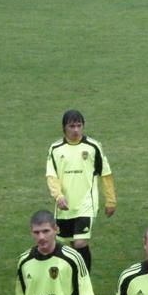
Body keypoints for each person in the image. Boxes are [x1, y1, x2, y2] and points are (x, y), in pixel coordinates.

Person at [46, 109, 116, 271]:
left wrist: (111, 200)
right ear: (64, 128)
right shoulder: (55, 149)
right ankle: (74, 276)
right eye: (72, 126)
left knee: (80, 242)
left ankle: (84, 278)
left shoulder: (93, 147)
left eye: (79, 126)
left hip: (86, 204)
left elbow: (105, 174)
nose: (76, 130)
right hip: (64, 206)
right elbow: (51, 176)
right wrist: (58, 196)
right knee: (70, 245)